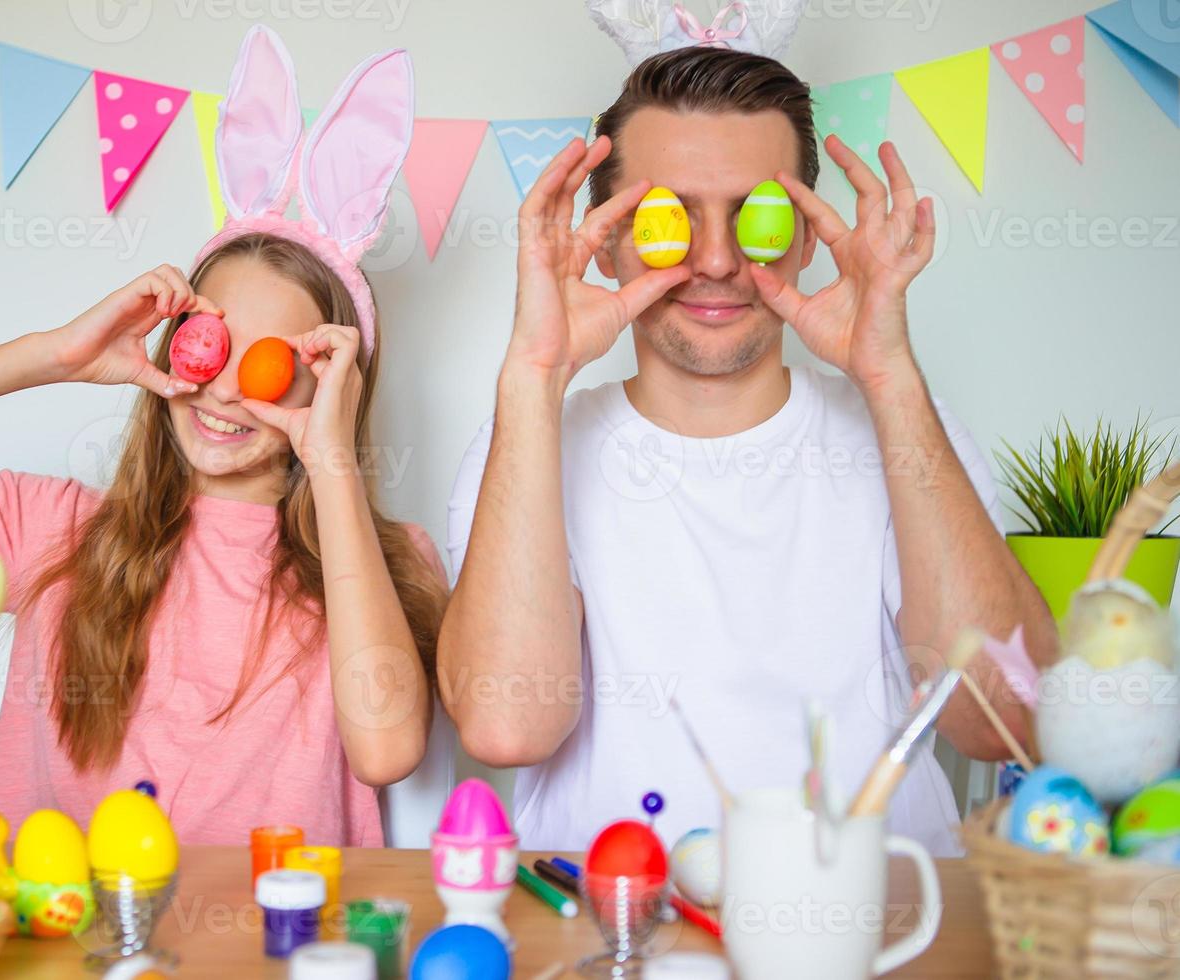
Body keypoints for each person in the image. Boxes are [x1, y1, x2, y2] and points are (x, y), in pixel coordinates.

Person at [0, 27, 444, 846]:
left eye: (268, 362)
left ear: (332, 382)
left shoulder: (385, 560)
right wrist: (49, 355)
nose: (224, 385)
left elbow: (388, 746)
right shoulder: (60, 531)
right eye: (210, 340)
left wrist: (331, 464)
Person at [438, 43, 1056, 855]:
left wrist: (889, 373)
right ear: (611, 241)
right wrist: (534, 371)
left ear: (806, 239)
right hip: (616, 927)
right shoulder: (528, 435)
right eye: (670, 218)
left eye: (754, 216)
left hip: (885, 931)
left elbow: (1012, 719)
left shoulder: (905, 424)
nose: (719, 260)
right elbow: (507, 723)